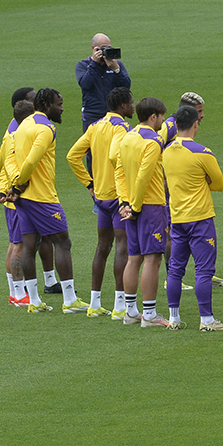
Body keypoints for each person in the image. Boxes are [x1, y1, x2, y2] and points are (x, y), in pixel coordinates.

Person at [9, 88, 85, 315]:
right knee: (63, 242)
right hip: (41, 197)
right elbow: (33, 159)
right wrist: (18, 183)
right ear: (46, 104)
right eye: (59, 104)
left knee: (30, 246)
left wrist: (14, 185)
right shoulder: (46, 128)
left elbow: (10, 155)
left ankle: (33, 301)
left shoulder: (23, 125)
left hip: (24, 198)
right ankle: (70, 300)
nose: (62, 108)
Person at [161, 105, 223, 331]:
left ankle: (174, 318)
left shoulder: (166, 151)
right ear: (195, 124)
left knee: (175, 269)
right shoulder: (203, 152)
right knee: (203, 270)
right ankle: (207, 320)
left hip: (177, 217)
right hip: (200, 218)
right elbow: (219, 184)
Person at [65, 86, 133, 318]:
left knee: (102, 248)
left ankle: (94, 304)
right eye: (131, 103)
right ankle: (120, 305)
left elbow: (73, 155)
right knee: (122, 247)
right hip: (118, 198)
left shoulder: (95, 126)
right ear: (123, 106)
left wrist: (89, 184)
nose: (133, 107)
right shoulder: (123, 128)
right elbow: (118, 158)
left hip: (102, 197)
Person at [115, 96, 170, 326]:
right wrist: (136, 207)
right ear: (153, 116)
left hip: (131, 205)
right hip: (150, 206)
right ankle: (149, 315)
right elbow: (144, 176)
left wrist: (124, 202)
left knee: (134, 258)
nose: (164, 121)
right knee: (153, 259)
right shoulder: (154, 140)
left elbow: (118, 169)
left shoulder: (127, 137)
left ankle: (130, 312)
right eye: (162, 116)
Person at [0, 94, 36, 307]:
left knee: (16, 243)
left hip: (11, 192)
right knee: (18, 244)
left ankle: (16, 291)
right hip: (15, 195)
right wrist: (11, 188)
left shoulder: (11, 131)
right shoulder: (16, 135)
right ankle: (18, 293)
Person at [76, 33, 131, 131]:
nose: (107, 51)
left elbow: (126, 87)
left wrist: (116, 70)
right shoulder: (83, 65)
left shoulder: (116, 65)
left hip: (113, 115)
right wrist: (94, 64)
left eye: (109, 47)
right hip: (92, 115)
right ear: (94, 48)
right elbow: (85, 85)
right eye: (103, 48)